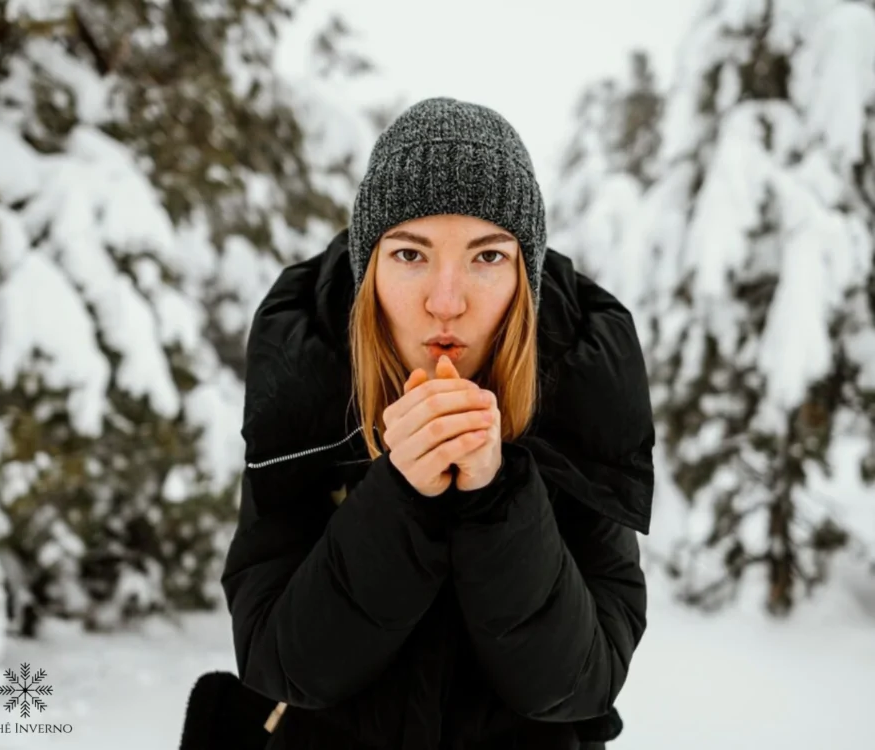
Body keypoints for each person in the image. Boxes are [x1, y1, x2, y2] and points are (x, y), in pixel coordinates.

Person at [220, 97, 655, 750]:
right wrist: (398, 499)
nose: (445, 302)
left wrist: (497, 496)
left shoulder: (579, 390)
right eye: (409, 255)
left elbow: (579, 684)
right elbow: (281, 663)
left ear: (524, 276)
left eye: (486, 257)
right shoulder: (309, 380)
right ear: (369, 268)